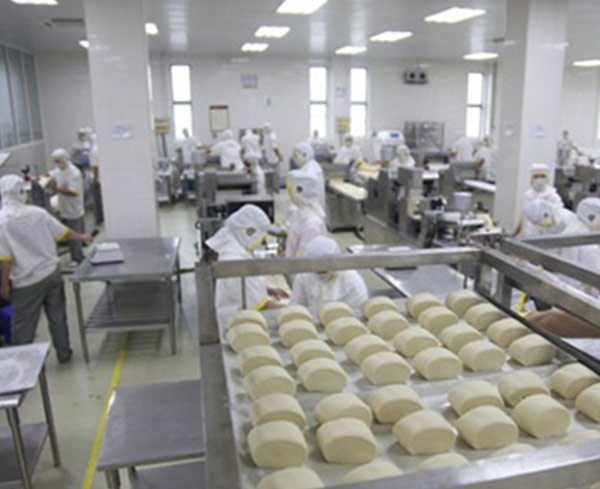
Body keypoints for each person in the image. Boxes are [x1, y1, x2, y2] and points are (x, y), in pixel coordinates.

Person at [0, 175, 93, 363]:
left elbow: (5, 258)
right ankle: (64, 354)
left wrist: (4, 285)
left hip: (26, 282)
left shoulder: (2, 221)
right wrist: (82, 237)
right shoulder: (38, 213)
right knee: (58, 317)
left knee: (24, 326)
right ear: (22, 192)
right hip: (51, 274)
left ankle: (23, 364)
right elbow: (63, 232)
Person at [205, 205, 287, 316]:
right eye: (260, 236)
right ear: (249, 231)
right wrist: (293, 309)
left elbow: (245, 287)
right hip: (238, 321)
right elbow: (261, 306)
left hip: (244, 315)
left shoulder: (237, 251)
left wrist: (268, 290)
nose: (259, 242)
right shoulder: (234, 261)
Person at [291, 236, 369, 317]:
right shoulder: (303, 276)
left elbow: (360, 310)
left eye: (325, 270)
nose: (321, 274)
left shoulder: (351, 278)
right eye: (318, 271)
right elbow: (296, 306)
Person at [48, 148, 86, 264]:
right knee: (69, 235)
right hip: (64, 207)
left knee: (74, 236)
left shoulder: (74, 173)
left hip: (73, 208)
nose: (57, 164)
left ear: (65, 159)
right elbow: (52, 174)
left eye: (59, 161)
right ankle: (75, 255)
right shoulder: (59, 169)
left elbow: (74, 192)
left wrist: (57, 189)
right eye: (55, 161)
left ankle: (78, 259)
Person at [511, 163, 563, 237]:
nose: (539, 179)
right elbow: (522, 217)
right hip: (527, 236)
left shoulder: (553, 197)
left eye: (542, 176)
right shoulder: (527, 196)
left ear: (547, 179)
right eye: (536, 176)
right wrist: (513, 234)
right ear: (531, 179)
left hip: (545, 238)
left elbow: (559, 221)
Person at [285, 168, 327, 258]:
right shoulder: (299, 213)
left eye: (290, 191)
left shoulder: (312, 226)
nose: (288, 195)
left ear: (300, 191)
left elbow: (303, 259)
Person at [292, 141, 325, 212]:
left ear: (305, 154)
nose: (294, 159)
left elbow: (305, 194)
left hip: (312, 209)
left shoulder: (310, 169)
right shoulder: (311, 165)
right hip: (314, 207)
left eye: (296, 156)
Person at [262, 123, 283, 189]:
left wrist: (279, 155)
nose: (265, 130)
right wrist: (279, 155)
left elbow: (274, 147)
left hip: (272, 158)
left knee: (272, 174)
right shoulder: (269, 136)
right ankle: (274, 188)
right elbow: (273, 147)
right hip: (272, 158)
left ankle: (273, 188)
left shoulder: (270, 136)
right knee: (275, 174)